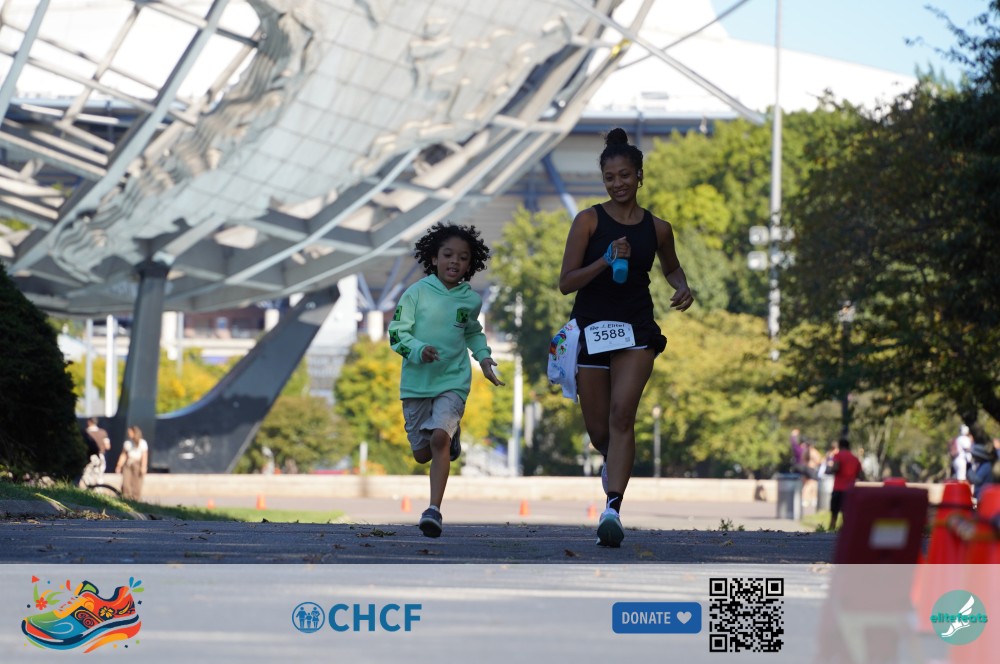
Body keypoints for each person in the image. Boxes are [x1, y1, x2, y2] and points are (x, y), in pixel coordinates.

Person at [558, 127, 693, 547]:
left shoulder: (659, 228)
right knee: (601, 432)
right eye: (609, 177)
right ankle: (612, 462)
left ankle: (612, 509)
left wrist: (682, 285)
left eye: (625, 176)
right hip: (592, 330)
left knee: (622, 416)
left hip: (636, 329)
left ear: (639, 176)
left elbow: (671, 266)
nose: (618, 184)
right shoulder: (588, 221)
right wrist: (605, 258)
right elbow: (566, 283)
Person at [388, 222, 504, 538]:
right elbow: (396, 335)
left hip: (453, 381)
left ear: (470, 264)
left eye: (463, 258)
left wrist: (483, 358)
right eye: (448, 255)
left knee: (438, 438)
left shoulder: (470, 300)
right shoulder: (416, 293)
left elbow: (473, 332)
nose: (455, 261)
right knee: (422, 454)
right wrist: (418, 350)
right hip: (416, 385)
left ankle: (433, 510)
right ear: (434, 258)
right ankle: (449, 439)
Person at [827, 438, 862, 531]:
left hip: (838, 489)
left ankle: (830, 532)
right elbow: (860, 474)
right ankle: (846, 533)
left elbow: (836, 467)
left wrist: (830, 469)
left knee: (834, 514)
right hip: (850, 490)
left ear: (839, 446)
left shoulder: (838, 455)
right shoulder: (855, 459)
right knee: (846, 514)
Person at [115, 425, 149, 501]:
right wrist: (119, 465)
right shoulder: (127, 443)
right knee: (126, 482)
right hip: (128, 463)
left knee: (137, 483)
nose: (129, 434)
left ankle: (135, 499)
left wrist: (143, 467)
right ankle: (126, 498)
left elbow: (144, 456)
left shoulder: (142, 443)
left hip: (137, 463)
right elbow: (123, 454)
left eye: (130, 432)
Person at [80, 417, 111, 488]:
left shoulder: (85, 432)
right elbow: (107, 446)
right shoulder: (103, 432)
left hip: (88, 457)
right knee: (99, 475)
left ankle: (89, 490)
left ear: (89, 422)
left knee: (87, 475)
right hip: (100, 456)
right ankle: (99, 490)